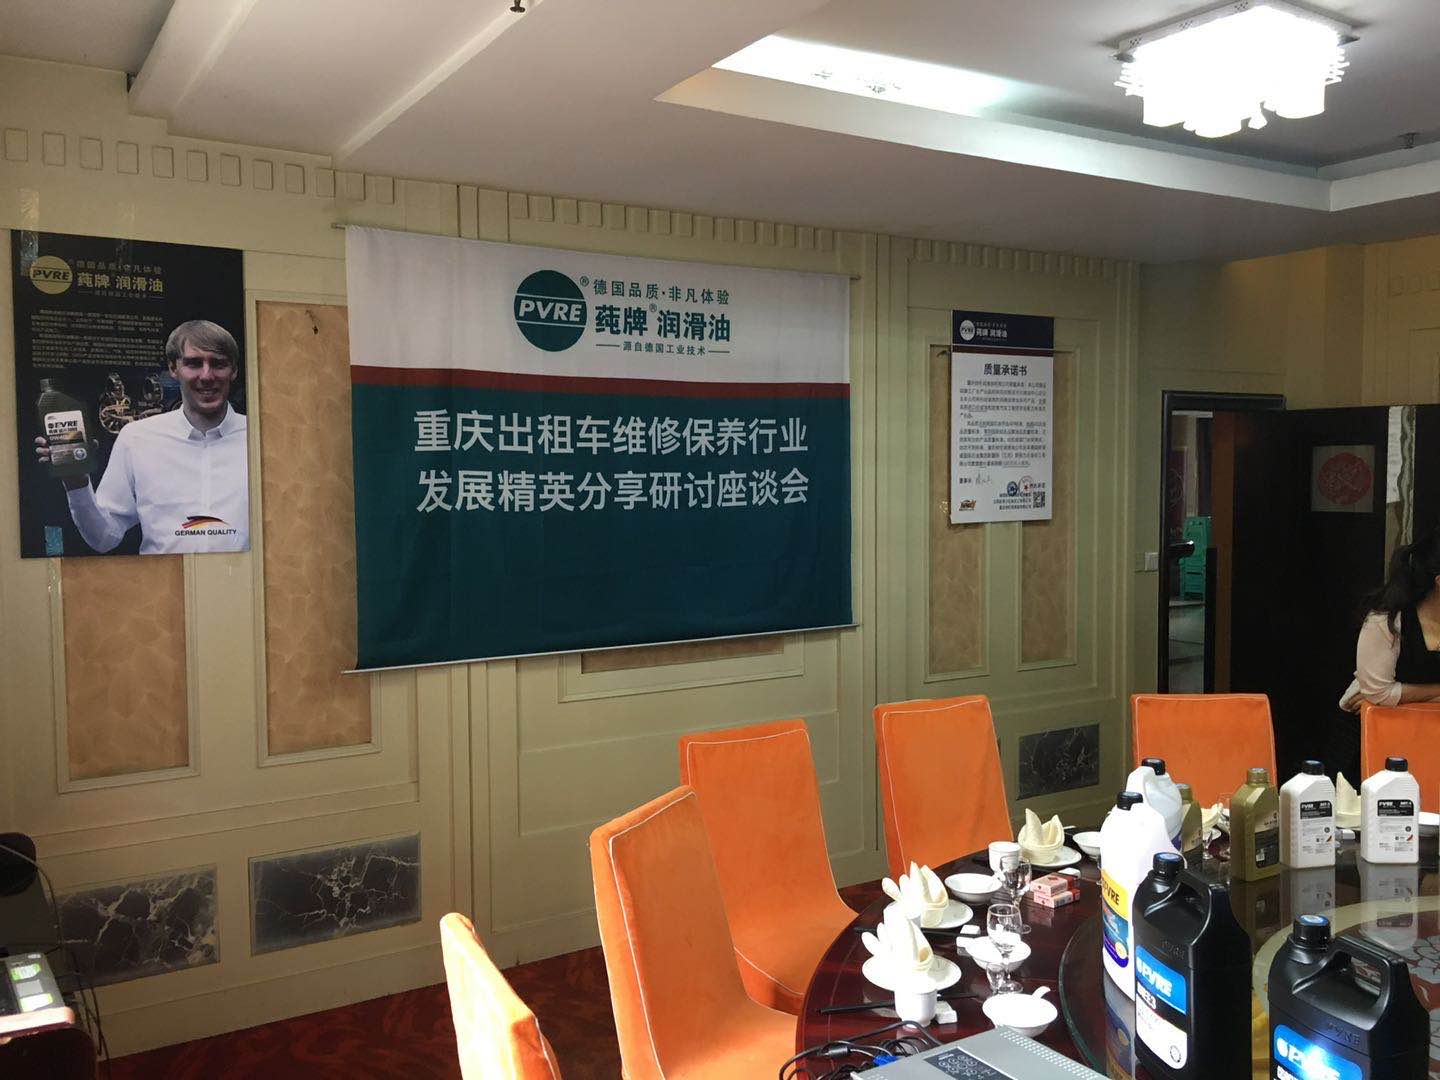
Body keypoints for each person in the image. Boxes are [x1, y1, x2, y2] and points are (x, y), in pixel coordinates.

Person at [34, 320, 249, 555]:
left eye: (218, 364)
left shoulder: (263, 439)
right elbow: (104, 538)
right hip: (163, 579)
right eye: (194, 363)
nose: (206, 375)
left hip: (246, 577)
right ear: (173, 368)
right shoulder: (137, 439)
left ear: (234, 371)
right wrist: (76, 481)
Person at [1335, 528, 1440, 781]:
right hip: (1370, 741)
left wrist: (1397, 697)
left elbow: (1381, 695)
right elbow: (1379, 692)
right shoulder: (1388, 620)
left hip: (1430, 744)